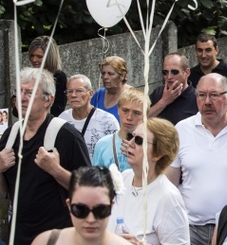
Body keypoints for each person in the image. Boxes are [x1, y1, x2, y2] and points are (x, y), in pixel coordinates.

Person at [166, 73, 227, 245]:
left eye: (214, 95)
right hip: (190, 228)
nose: (207, 102)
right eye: (202, 95)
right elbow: (170, 182)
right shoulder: (182, 129)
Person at [0, 68, 90, 244]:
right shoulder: (10, 135)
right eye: (19, 92)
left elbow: (89, 190)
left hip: (57, 237)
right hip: (17, 235)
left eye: (30, 92)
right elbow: (4, 191)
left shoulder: (67, 136)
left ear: (49, 99)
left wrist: (56, 170)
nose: (22, 98)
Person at [110, 118, 190, 245]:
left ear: (157, 154)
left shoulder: (168, 197)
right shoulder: (123, 178)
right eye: (131, 136)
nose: (130, 143)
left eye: (139, 141)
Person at [31, 166, 130, 245]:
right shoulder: (45, 241)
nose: (90, 220)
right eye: (80, 210)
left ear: (111, 207)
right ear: (69, 206)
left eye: (100, 210)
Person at [59, 74, 119, 160]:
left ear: (90, 94)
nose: (73, 95)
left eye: (79, 91)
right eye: (69, 91)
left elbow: (116, 154)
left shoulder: (108, 121)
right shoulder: (62, 119)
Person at [92, 88, 150, 172]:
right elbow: (96, 180)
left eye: (136, 113)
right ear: (118, 110)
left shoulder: (151, 145)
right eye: (125, 111)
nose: (129, 117)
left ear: (145, 115)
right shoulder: (102, 144)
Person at [148, 52, 198, 125]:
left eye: (174, 72)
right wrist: (163, 101)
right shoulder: (158, 92)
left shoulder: (197, 97)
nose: (169, 77)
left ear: (187, 72)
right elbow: (140, 120)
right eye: (165, 72)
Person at [28, 35, 67, 117]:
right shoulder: (28, 76)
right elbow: (16, 111)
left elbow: (58, 110)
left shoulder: (59, 77)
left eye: (39, 57)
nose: (34, 60)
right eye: (32, 56)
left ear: (50, 57)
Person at [91, 56, 130, 122]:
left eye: (110, 74)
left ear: (122, 75)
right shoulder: (99, 94)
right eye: (103, 73)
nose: (105, 77)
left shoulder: (133, 97)